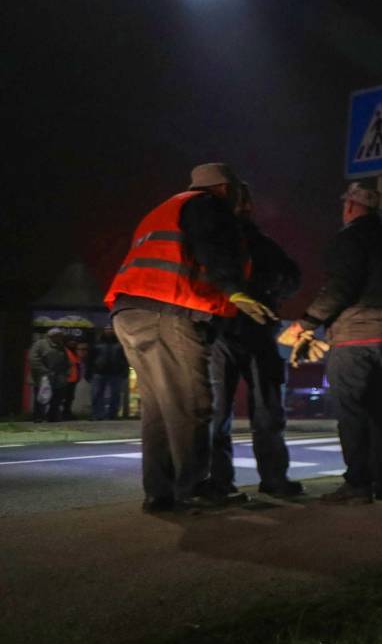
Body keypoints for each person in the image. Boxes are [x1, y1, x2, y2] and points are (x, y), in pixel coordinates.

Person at [104, 163, 271, 513]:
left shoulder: (165, 208)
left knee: (160, 409)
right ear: (225, 188)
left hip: (130, 312)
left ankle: (160, 493)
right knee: (193, 403)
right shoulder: (207, 206)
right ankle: (195, 488)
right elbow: (213, 248)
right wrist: (235, 291)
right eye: (239, 191)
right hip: (168, 312)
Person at [281, 180, 382, 505]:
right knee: (379, 410)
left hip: (353, 337)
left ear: (350, 207)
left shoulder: (350, 238)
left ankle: (357, 484)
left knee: (351, 411)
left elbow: (339, 287)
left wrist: (306, 324)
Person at [205, 181, 304, 498]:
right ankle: (273, 480)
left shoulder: (219, 240)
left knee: (218, 413)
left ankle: (220, 482)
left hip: (224, 331)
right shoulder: (261, 243)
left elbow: (290, 277)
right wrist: (268, 294)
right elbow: (291, 279)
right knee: (262, 410)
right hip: (252, 331)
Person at [27, 328, 69, 422]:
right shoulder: (40, 344)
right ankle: (38, 416)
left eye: (61, 336)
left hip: (58, 377)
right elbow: (33, 359)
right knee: (41, 397)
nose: (60, 337)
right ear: (51, 336)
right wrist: (44, 371)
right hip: (42, 377)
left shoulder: (61, 345)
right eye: (58, 335)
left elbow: (65, 360)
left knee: (57, 397)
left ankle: (53, 416)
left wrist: (66, 371)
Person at [90, 326, 130, 420]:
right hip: (99, 372)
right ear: (104, 331)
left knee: (115, 395)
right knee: (97, 394)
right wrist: (90, 371)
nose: (109, 331)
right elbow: (90, 359)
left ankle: (112, 415)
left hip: (116, 373)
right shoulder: (97, 344)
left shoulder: (120, 344)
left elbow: (125, 359)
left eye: (111, 329)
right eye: (107, 329)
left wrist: (125, 371)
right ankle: (97, 415)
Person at [58, 340, 85, 419]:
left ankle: (67, 413)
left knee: (69, 398)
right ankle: (61, 414)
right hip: (65, 379)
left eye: (74, 343)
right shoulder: (64, 352)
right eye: (71, 342)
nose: (73, 344)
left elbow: (77, 365)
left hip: (73, 379)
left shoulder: (74, 353)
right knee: (63, 398)